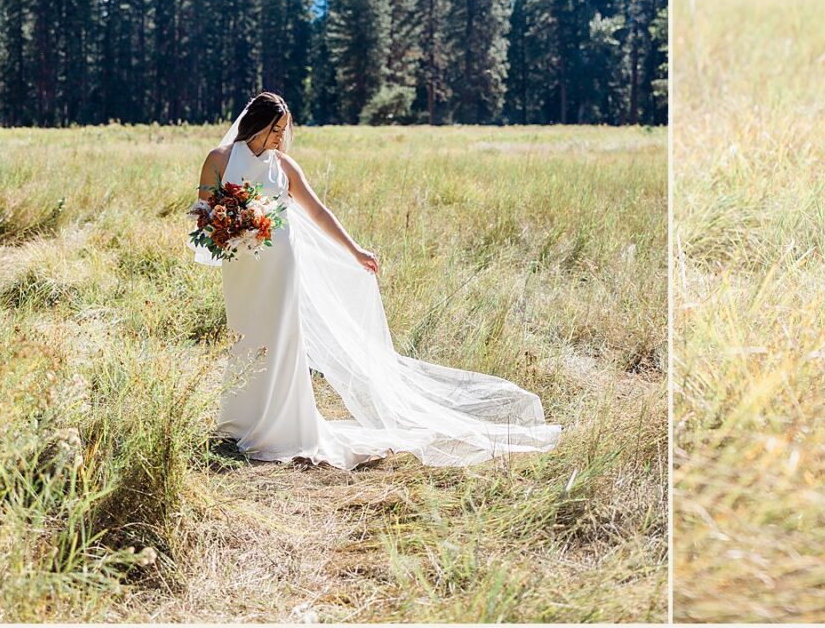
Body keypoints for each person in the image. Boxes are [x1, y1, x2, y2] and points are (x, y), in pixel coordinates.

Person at [195, 91, 563, 467]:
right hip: (241, 266)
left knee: (280, 338)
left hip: (280, 264)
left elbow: (318, 212)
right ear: (257, 124)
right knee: (245, 335)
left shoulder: (284, 166)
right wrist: (230, 226)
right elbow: (204, 212)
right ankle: (241, 422)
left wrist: (355, 250)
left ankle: (282, 426)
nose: (281, 138)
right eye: (276, 130)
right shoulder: (219, 159)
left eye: (284, 130)